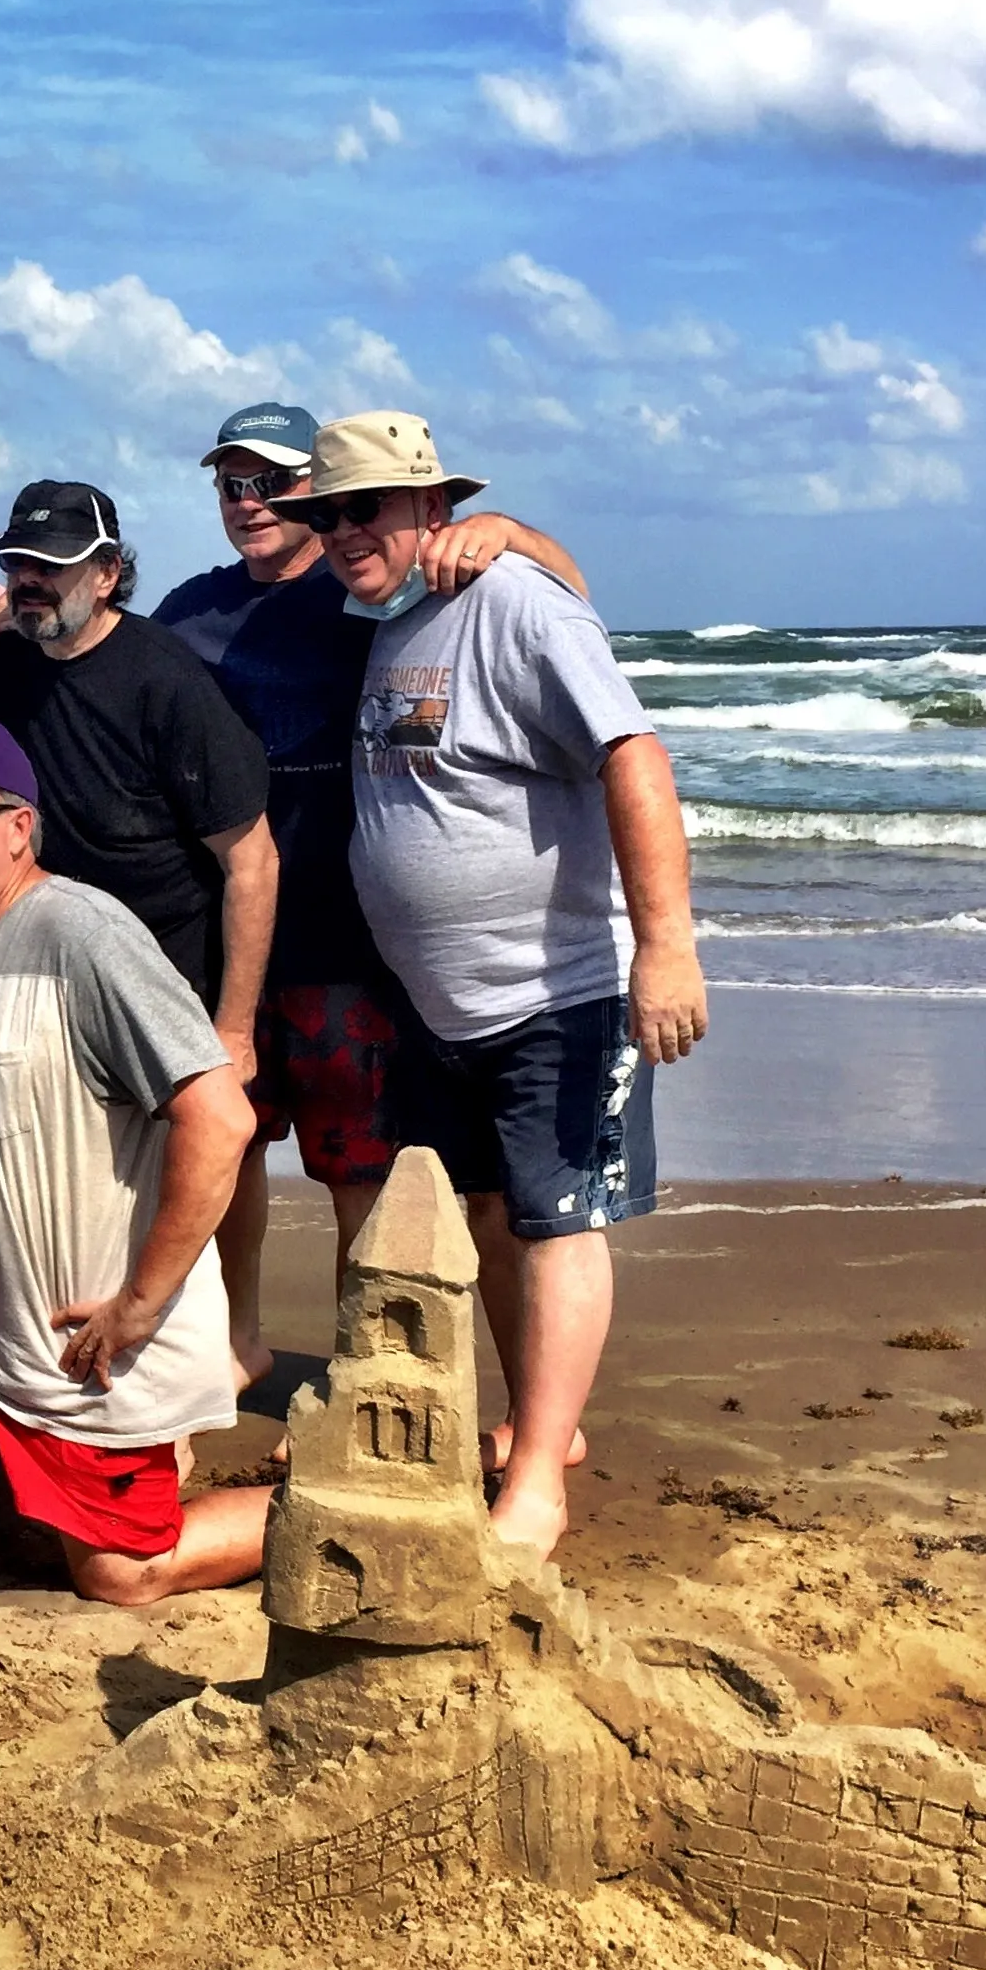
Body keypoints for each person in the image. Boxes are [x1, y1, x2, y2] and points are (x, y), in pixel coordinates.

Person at [274, 410, 707, 1563]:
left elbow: (633, 755)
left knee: (559, 1224)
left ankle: (537, 1488)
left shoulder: (512, 602)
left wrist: (665, 947)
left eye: (364, 508)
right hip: (439, 1005)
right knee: (485, 1217)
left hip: (557, 990)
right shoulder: (386, 613)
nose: (342, 532)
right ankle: (538, 1428)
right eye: (327, 514)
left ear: (431, 506)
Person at [153, 403, 590, 1358]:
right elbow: (114, 676)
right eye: (230, 485)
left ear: (318, 489)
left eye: (273, 483)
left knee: (360, 1167)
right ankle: (238, 1342)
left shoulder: (384, 587)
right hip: (228, 941)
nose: (249, 502)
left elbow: (565, 598)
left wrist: (507, 531)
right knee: (226, 1144)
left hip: (350, 943)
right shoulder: (187, 613)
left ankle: (363, 1356)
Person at [0, 721, 273, 1605]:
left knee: (123, 1575)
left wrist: (141, 1301)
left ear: (20, 827)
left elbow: (219, 1118)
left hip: (82, 1356)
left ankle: (339, 1506)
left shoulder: (82, 933)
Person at [0, 480, 279, 1379]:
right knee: (70, 1178)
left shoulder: (167, 679)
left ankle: (214, 1353)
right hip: (44, 968)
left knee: (184, 1172)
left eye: (51, 567)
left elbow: (252, 862)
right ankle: (55, 1351)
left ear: (106, 574)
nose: (30, 581)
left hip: (166, 970)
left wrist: (234, 1029)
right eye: (18, 564)